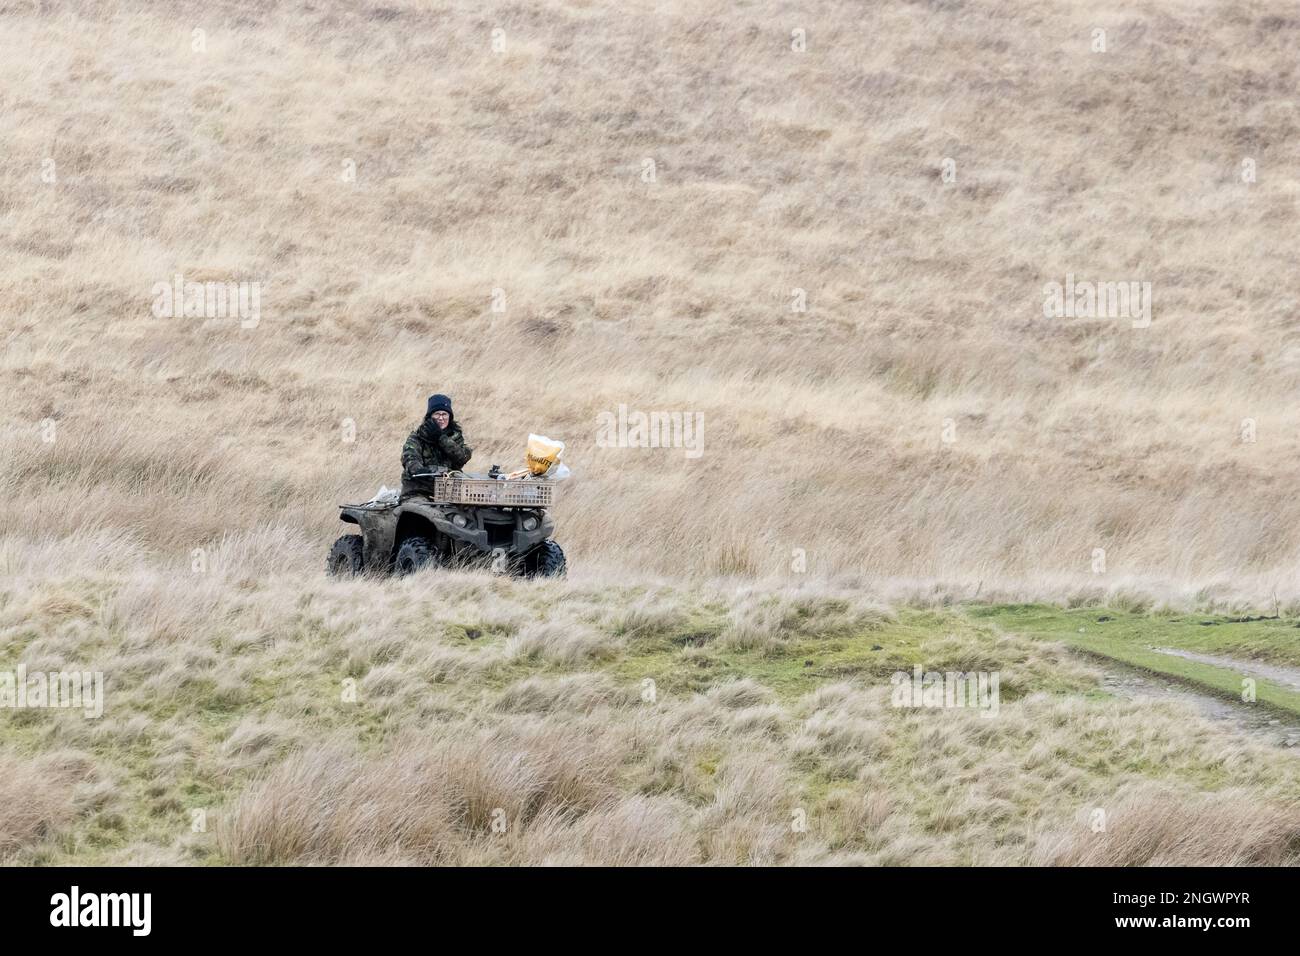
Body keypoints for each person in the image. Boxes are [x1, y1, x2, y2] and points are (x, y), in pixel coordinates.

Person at [401, 394, 472, 492]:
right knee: (418, 507)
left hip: (449, 490)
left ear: (450, 417)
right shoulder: (417, 437)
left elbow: (462, 458)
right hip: (419, 490)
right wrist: (425, 472)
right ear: (430, 417)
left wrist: (441, 438)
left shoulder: (456, 437)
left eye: (444, 414)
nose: (441, 418)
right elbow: (410, 459)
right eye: (437, 414)